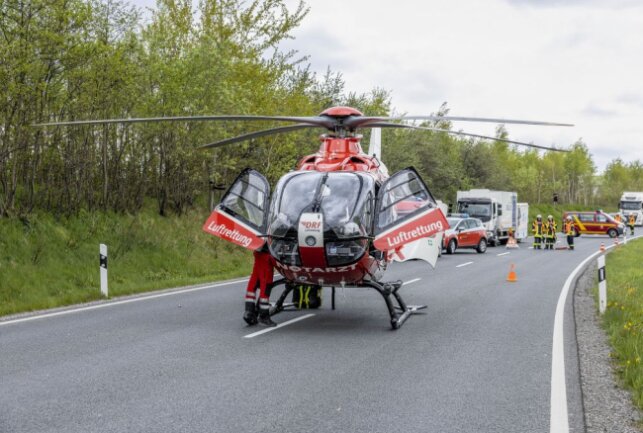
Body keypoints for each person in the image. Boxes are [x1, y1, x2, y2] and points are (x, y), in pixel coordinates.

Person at [243, 246, 277, 327]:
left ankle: (249, 312)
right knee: (265, 287)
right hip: (266, 256)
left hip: (258, 252)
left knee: (253, 283)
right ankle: (264, 316)